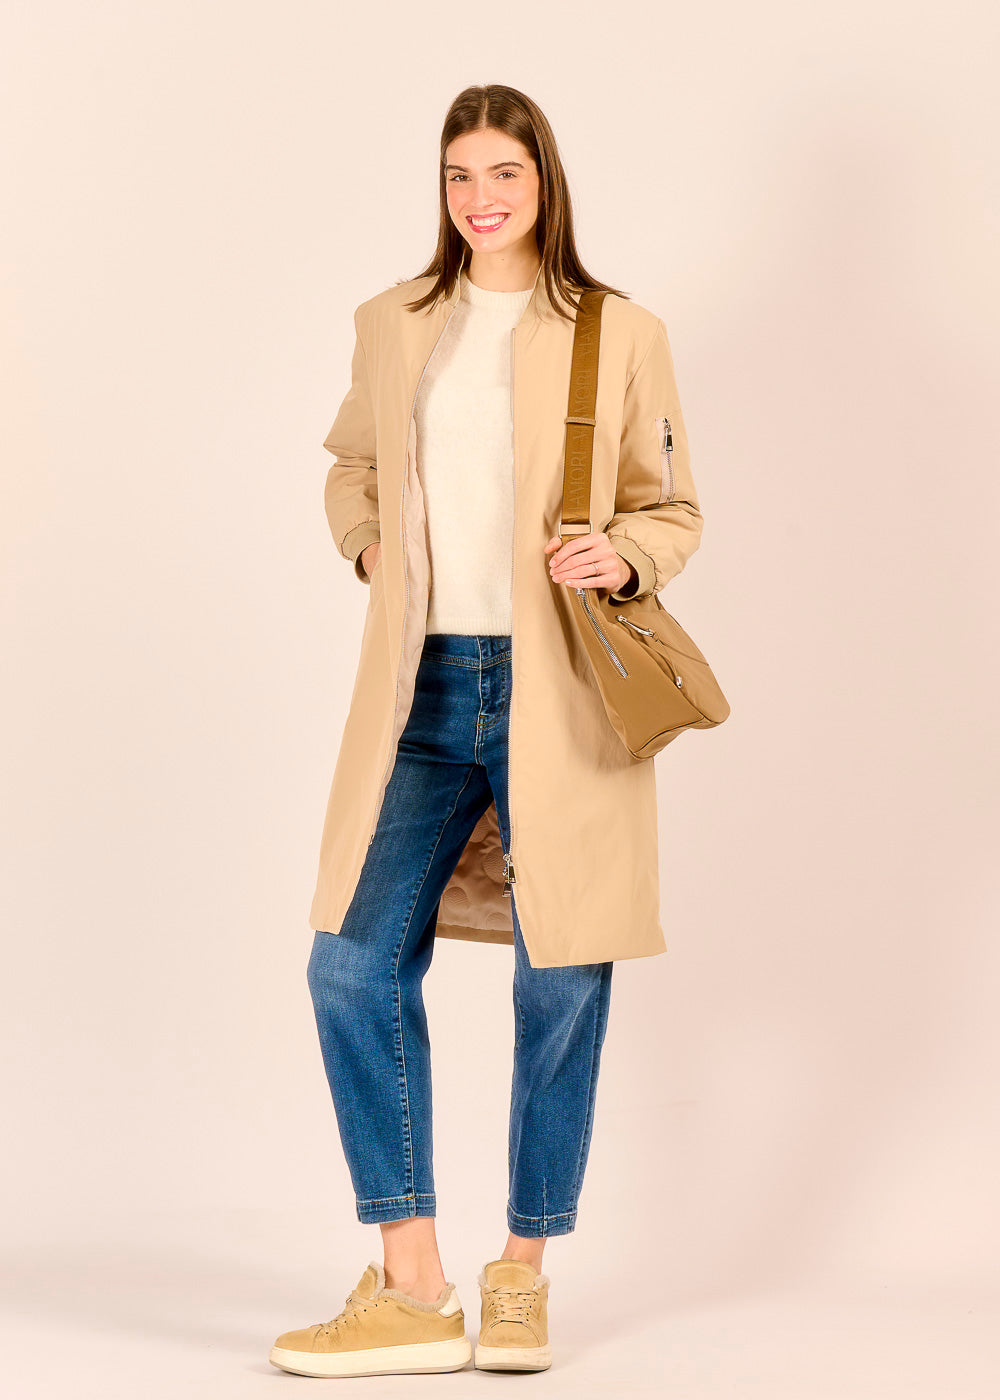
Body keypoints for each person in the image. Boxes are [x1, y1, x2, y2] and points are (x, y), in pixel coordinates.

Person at [269, 83, 703, 1380]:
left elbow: (672, 508)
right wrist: (370, 548)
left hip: (560, 687)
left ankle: (522, 1273)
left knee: (559, 978)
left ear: (544, 180)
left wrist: (622, 555)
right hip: (421, 691)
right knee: (351, 967)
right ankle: (412, 1283)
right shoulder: (396, 321)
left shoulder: (620, 331)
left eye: (503, 171)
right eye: (460, 174)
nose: (480, 197)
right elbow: (351, 465)